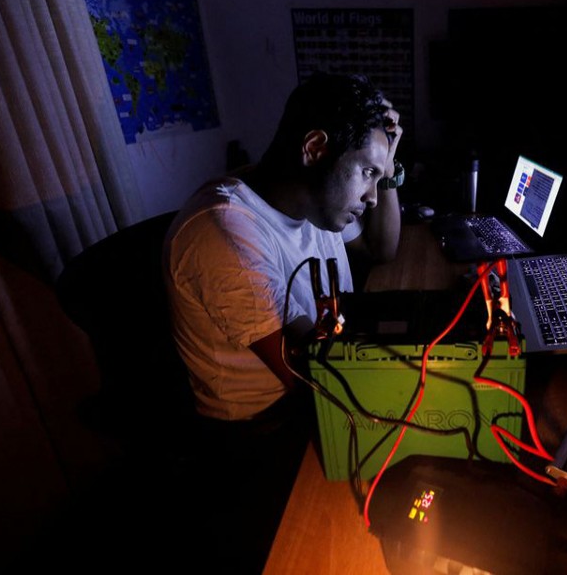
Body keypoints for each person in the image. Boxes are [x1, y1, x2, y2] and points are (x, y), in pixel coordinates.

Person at [161, 72, 403, 573]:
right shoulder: (225, 229)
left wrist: (387, 163)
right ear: (315, 148)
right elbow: (313, 377)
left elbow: (383, 248)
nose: (374, 197)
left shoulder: (308, 200)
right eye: (366, 175)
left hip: (319, 385)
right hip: (264, 432)